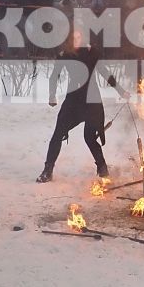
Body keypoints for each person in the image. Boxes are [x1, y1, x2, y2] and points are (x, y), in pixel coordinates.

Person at [37, 40, 119, 182]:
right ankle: (47, 171)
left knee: (89, 137)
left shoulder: (91, 52)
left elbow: (104, 73)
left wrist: (121, 91)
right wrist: (52, 95)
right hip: (73, 102)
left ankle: (103, 168)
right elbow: (54, 75)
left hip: (92, 101)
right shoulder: (65, 54)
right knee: (57, 134)